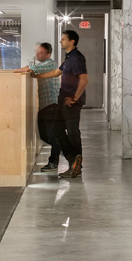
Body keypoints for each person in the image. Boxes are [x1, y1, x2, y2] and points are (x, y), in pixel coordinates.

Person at [35, 29, 89, 178]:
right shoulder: (68, 58)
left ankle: (76, 165)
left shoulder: (77, 58)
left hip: (71, 103)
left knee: (72, 133)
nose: (61, 41)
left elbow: (84, 79)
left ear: (72, 41)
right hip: (63, 101)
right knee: (57, 130)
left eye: (63, 39)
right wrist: (35, 75)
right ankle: (73, 160)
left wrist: (75, 98)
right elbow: (54, 73)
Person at [14, 42, 61, 172]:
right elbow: (32, 68)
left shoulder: (50, 64)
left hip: (52, 103)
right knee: (44, 135)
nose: (37, 54)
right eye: (37, 52)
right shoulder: (41, 65)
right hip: (45, 105)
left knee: (51, 135)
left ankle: (55, 160)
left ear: (48, 54)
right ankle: (64, 149)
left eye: (40, 53)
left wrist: (20, 70)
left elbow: (32, 68)